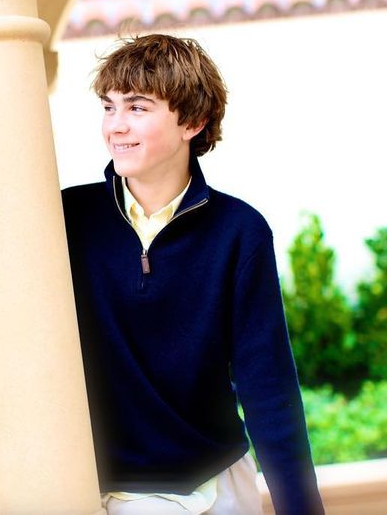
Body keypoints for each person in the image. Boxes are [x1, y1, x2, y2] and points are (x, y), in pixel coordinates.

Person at [62, 34, 323, 514]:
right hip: (104, 491)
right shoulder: (66, 217)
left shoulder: (239, 232)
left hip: (216, 485)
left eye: (137, 108)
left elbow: (268, 387)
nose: (115, 126)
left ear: (194, 121)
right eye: (109, 107)